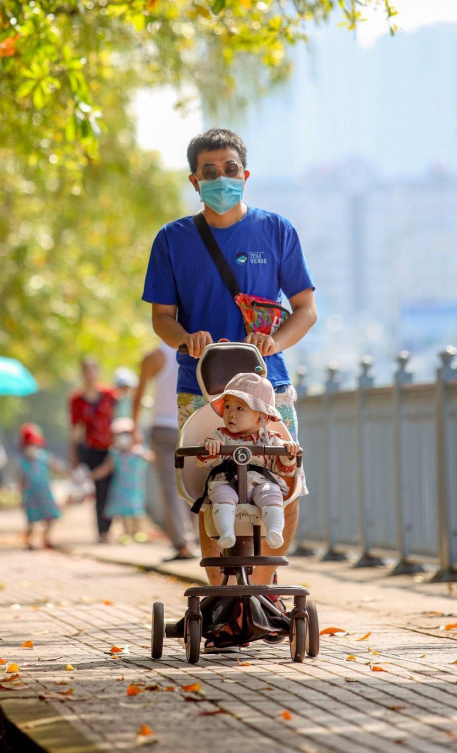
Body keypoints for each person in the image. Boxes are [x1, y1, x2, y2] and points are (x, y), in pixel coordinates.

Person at [142, 127, 316, 584]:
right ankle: (221, 598)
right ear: (194, 181)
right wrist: (186, 339)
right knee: (207, 493)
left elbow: (306, 310)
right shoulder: (172, 240)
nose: (222, 178)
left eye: (230, 169)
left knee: (286, 487)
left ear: (246, 174)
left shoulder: (276, 230)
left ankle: (261, 597)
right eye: (210, 172)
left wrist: (275, 341)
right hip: (199, 391)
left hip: (269, 387)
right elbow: (162, 317)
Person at [196, 372, 299, 550]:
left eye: (240, 408)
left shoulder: (271, 440)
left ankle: (275, 530)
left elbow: (285, 470)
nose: (231, 414)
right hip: (228, 481)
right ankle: (226, 532)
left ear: (261, 417)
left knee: (272, 493)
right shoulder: (220, 436)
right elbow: (202, 462)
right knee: (221, 493)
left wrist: (288, 453)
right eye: (227, 406)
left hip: (260, 483)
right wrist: (210, 447)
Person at [132, 342, 197, 561]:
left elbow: (139, 394)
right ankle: (200, 539)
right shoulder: (197, 350)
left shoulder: (154, 356)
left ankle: (182, 544)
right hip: (189, 425)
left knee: (171, 487)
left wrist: (134, 427)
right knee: (194, 483)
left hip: (162, 427)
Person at [69, 357, 117, 543]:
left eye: (92, 370)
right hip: (91, 449)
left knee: (109, 489)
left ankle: (108, 529)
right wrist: (73, 454)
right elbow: (74, 429)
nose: (89, 375)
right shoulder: (76, 400)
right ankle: (101, 532)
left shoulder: (109, 395)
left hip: (110, 449)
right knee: (98, 490)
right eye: (86, 371)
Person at [89, 418, 153, 541]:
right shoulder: (115, 454)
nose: (122, 437)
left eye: (125, 434)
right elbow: (106, 468)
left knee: (137, 511)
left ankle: (138, 532)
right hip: (120, 488)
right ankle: (126, 533)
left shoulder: (139, 452)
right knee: (123, 513)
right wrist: (91, 476)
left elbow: (152, 458)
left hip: (136, 487)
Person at [18, 422, 65, 550]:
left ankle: (46, 538)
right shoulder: (22, 463)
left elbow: (56, 467)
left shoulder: (44, 457)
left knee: (51, 517)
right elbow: (21, 481)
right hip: (31, 495)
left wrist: (69, 474)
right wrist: (21, 496)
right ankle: (30, 541)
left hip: (44, 493)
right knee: (31, 521)